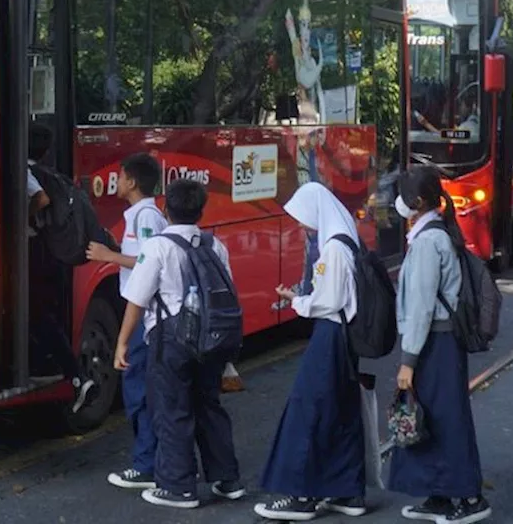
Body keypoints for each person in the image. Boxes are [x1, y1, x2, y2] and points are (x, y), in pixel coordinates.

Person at [116, 178, 243, 510]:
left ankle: (178, 487)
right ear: (200, 210)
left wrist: (122, 343)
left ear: (165, 209)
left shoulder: (157, 247)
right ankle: (226, 479)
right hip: (212, 338)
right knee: (209, 406)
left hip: (170, 339)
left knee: (172, 409)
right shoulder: (215, 244)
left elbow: (137, 300)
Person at [256, 182, 368, 521]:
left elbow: (329, 301)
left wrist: (298, 301)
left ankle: (300, 494)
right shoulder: (345, 237)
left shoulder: (333, 248)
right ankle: (346, 490)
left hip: (330, 334)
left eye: (303, 219)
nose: (301, 226)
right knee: (341, 412)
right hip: (344, 336)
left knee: (309, 410)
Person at [387, 168, 491, 523]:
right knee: (433, 416)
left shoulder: (429, 242)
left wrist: (408, 360)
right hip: (439, 341)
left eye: (401, 195)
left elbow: (420, 306)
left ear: (415, 203)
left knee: (446, 418)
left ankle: (469, 497)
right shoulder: (432, 233)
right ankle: (441, 495)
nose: (396, 201)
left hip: (437, 342)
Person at [86, 152, 167, 490]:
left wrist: (109, 256)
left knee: (138, 391)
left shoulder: (145, 216)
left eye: (119, 177)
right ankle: (150, 461)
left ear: (132, 182)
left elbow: (149, 262)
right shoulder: (140, 214)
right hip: (144, 316)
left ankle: (147, 464)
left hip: (147, 320)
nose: (115, 182)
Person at [26, 122, 94, 412]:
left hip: (34, 251)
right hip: (49, 251)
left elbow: (41, 199)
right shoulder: (47, 170)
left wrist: (22, 217)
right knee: (43, 312)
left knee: (38, 313)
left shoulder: (26, 171)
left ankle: (76, 376)